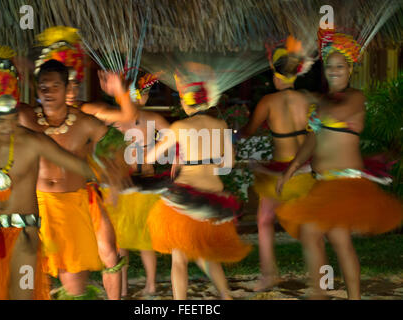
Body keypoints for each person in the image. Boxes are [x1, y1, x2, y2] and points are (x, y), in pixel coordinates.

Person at [0, 45, 109, 300]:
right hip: (2, 224)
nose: (5, 125)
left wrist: (105, 175)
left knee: (52, 285)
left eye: (54, 86)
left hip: (45, 218)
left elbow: (93, 159)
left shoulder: (49, 134)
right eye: (43, 87)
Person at [275, 29, 403, 299]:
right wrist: (291, 169)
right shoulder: (322, 105)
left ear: (350, 69)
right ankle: (346, 296)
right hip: (323, 183)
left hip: (345, 183)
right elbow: (312, 139)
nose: (333, 71)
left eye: (339, 66)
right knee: (339, 241)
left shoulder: (355, 98)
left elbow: (336, 113)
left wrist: (314, 98)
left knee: (312, 233)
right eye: (330, 66)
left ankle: (322, 294)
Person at [18, 58, 133, 299]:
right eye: (43, 87)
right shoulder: (27, 118)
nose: (48, 92)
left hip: (80, 200)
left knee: (103, 256)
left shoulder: (84, 122)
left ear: (67, 87)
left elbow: (118, 142)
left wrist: (115, 173)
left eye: (55, 87)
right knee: (45, 270)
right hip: (40, 203)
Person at [145, 69, 252, 300]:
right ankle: (226, 295)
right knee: (205, 253)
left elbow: (150, 158)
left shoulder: (179, 128)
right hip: (214, 199)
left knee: (180, 259)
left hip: (187, 198)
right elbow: (228, 164)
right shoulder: (221, 126)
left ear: (185, 100)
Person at [83, 72, 169, 297]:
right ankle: (121, 287)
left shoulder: (152, 119)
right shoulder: (115, 118)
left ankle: (149, 284)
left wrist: (158, 152)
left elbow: (174, 140)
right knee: (119, 238)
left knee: (143, 237)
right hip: (118, 184)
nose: (145, 97)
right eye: (142, 92)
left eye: (147, 93)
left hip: (145, 183)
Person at [240, 36, 316, 291]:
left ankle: (269, 274)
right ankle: (318, 276)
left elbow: (248, 131)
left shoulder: (268, 102)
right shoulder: (308, 99)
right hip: (305, 168)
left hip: (279, 171)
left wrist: (234, 132)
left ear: (277, 75)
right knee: (307, 223)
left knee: (263, 220)